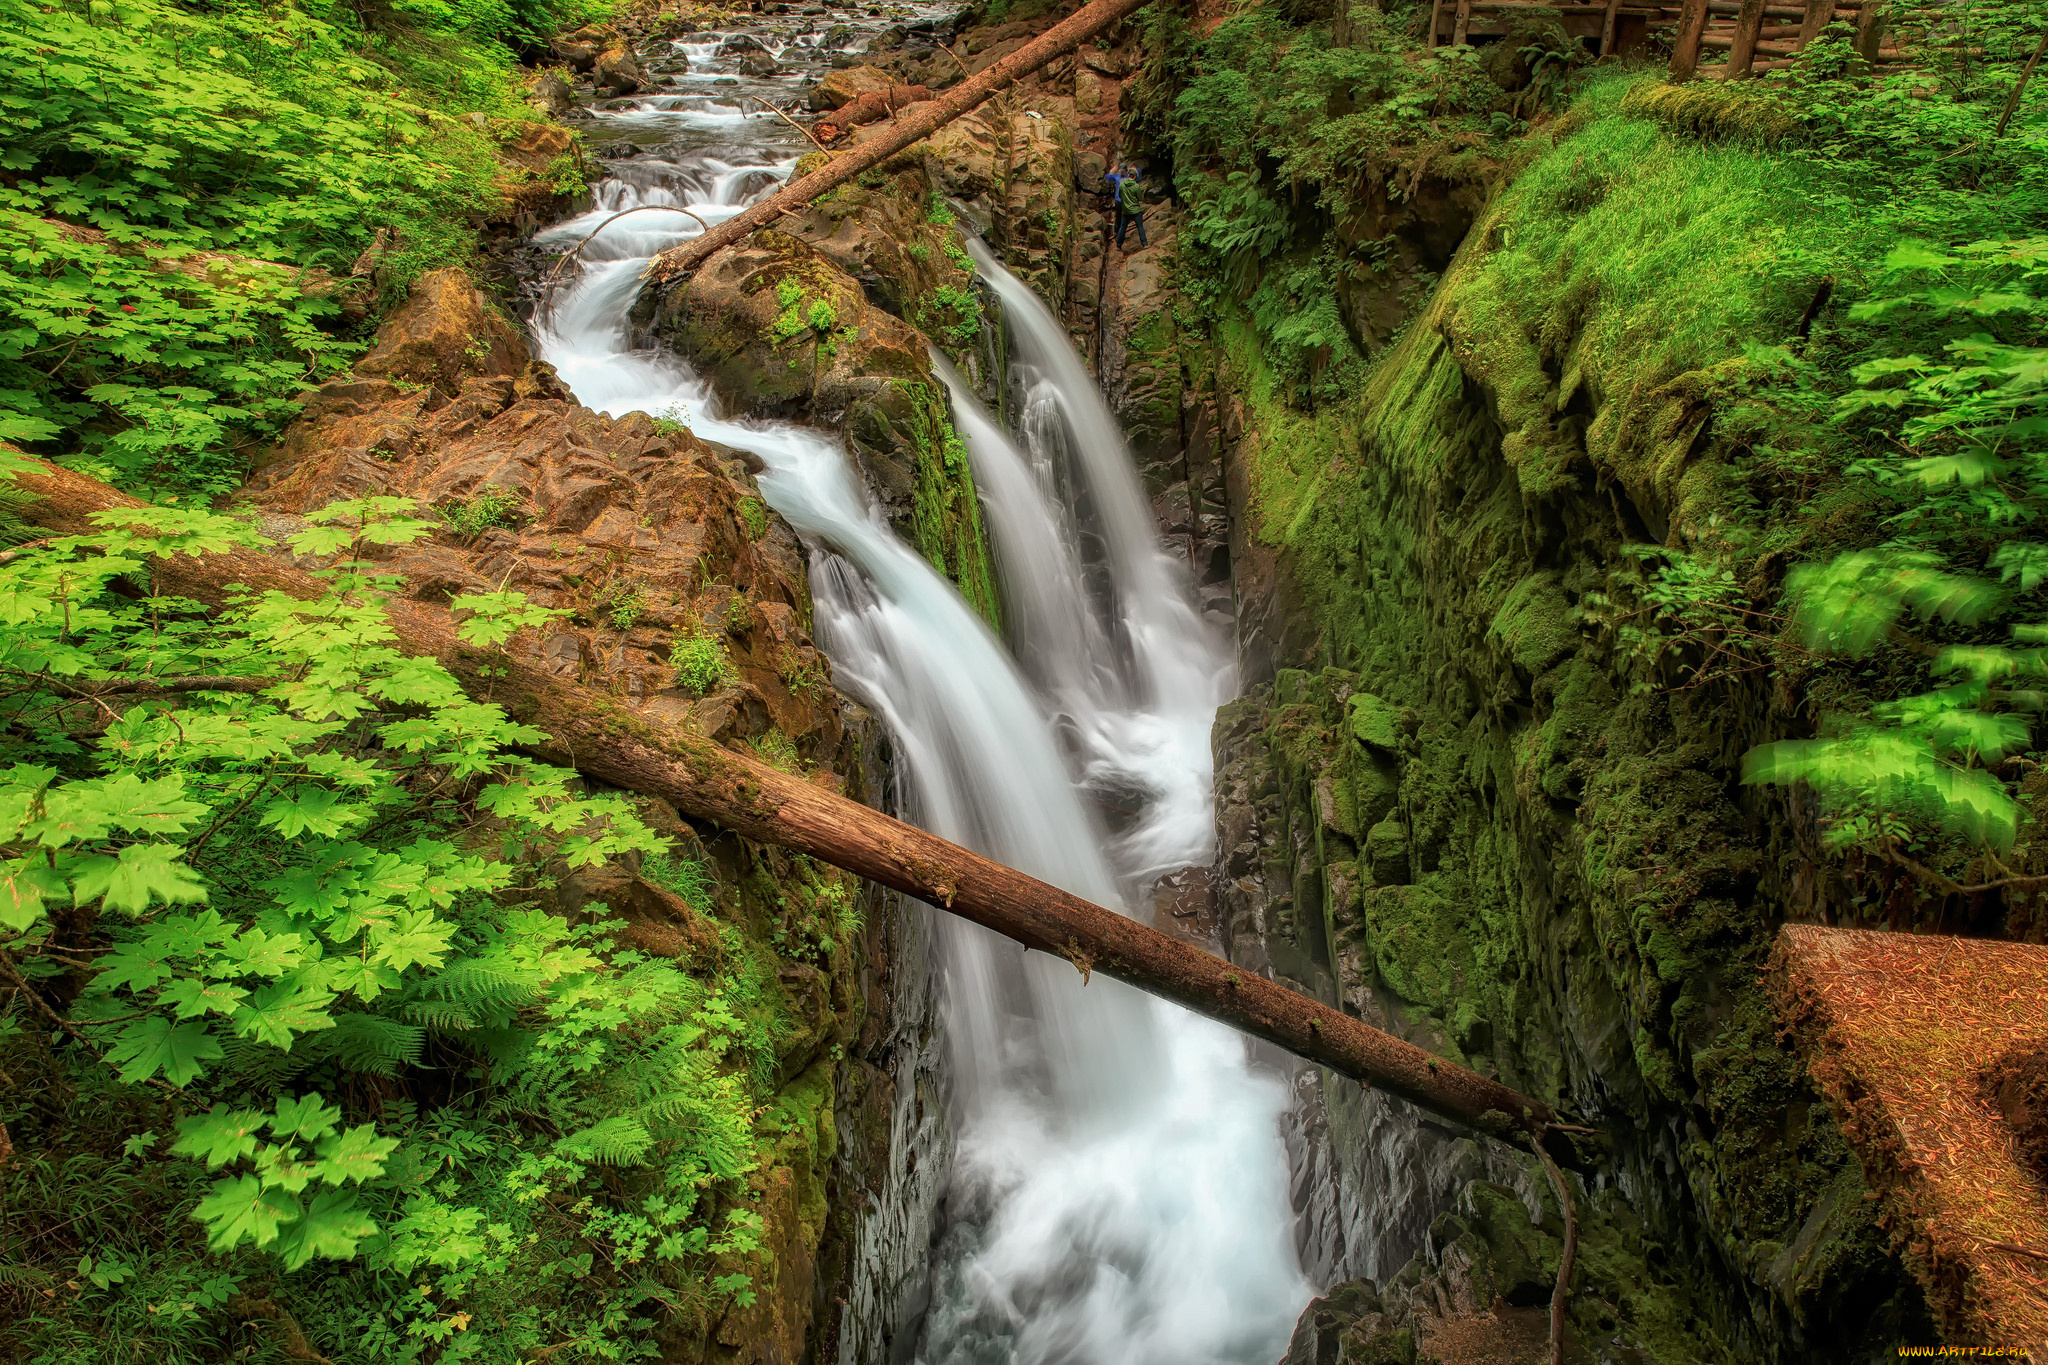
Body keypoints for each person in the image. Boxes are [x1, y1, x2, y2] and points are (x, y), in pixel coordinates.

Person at [1108, 163, 1147, 250]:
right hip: (1135, 209)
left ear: (1128, 173)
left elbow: (1120, 195)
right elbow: (1140, 197)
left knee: (1122, 226)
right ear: (1134, 176)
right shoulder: (1136, 186)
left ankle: (1118, 245)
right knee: (1140, 226)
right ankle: (1144, 244)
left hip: (1125, 208)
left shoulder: (1122, 184)